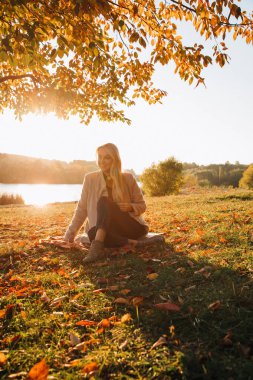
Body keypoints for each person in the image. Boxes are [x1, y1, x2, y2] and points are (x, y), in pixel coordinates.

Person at [64, 143, 149, 263]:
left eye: (107, 157)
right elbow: (82, 209)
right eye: (100, 157)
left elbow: (142, 205)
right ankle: (131, 243)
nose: (102, 161)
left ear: (115, 159)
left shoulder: (128, 178)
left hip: (129, 226)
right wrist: (70, 234)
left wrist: (131, 207)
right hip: (107, 230)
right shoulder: (90, 179)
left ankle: (96, 248)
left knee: (104, 201)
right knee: (93, 232)